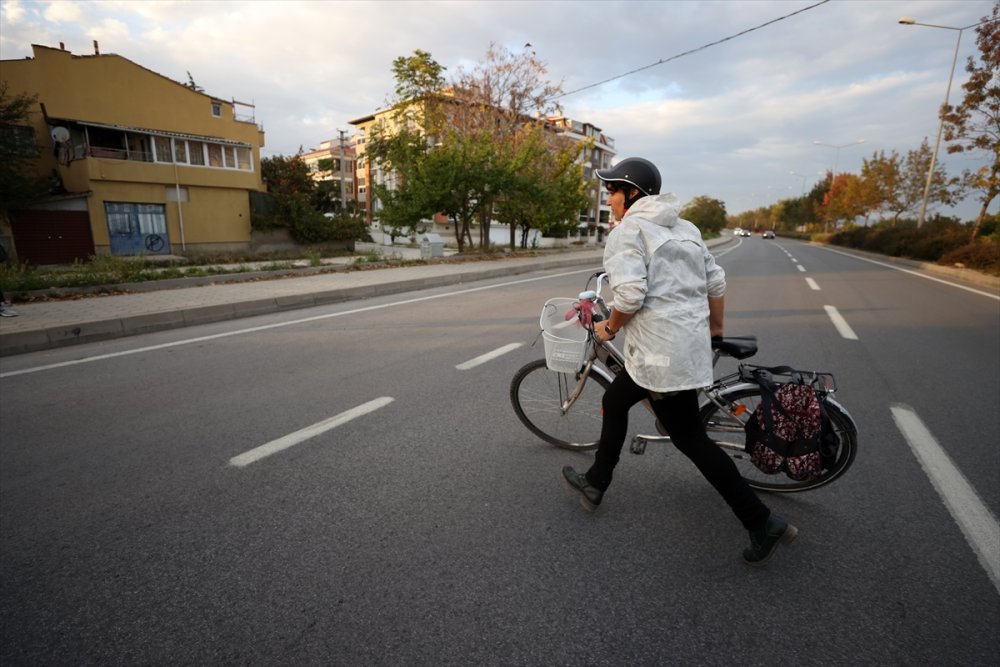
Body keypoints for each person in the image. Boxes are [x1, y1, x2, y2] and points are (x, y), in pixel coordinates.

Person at [561, 157, 796, 566]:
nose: (609, 199)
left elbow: (630, 297)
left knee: (690, 439)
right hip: (681, 348)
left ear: (632, 194)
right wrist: (715, 331)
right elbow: (716, 282)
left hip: (659, 355)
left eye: (613, 191)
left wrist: (609, 329)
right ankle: (596, 481)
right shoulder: (685, 228)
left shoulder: (628, 232)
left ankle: (762, 522)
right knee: (616, 403)